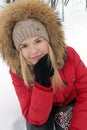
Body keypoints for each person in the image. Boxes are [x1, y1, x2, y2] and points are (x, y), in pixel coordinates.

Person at [0, 0, 87, 130]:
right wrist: (42, 85)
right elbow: (34, 118)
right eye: (24, 45)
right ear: (18, 50)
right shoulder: (17, 72)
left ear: (48, 40)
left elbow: (85, 92)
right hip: (42, 112)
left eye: (38, 41)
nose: (34, 51)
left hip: (69, 105)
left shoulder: (69, 55)